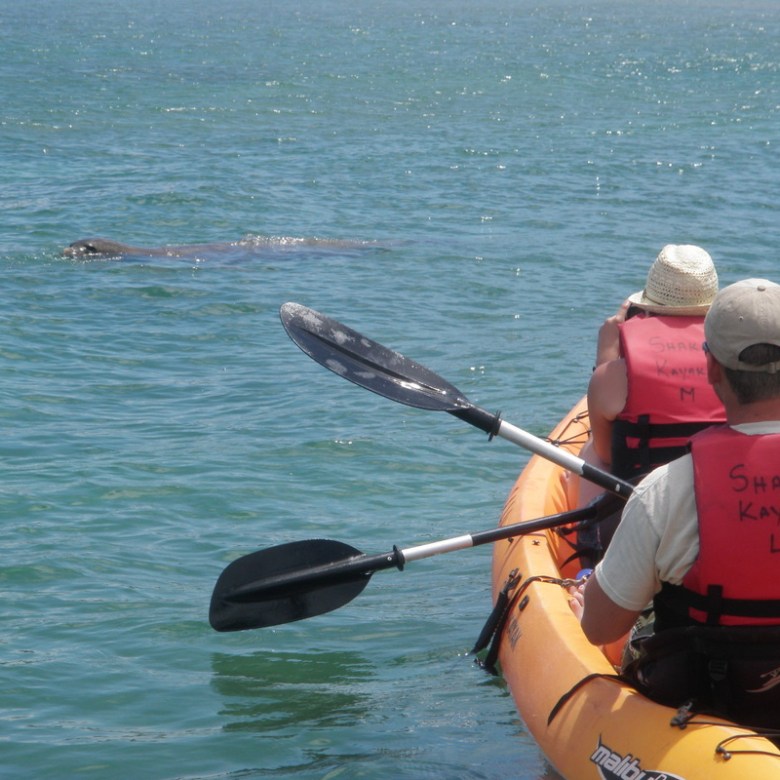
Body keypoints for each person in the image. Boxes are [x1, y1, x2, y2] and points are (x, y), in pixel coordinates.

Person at [571, 278, 780, 728]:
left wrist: (585, 602)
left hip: (708, 703)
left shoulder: (665, 490)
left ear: (712, 370)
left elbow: (599, 629)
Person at [573, 246, 726, 559]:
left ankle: (589, 566)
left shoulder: (614, 377)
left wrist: (605, 357)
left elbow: (606, 453)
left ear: (642, 310)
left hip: (639, 515)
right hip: (717, 510)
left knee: (589, 452)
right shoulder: (737, 371)